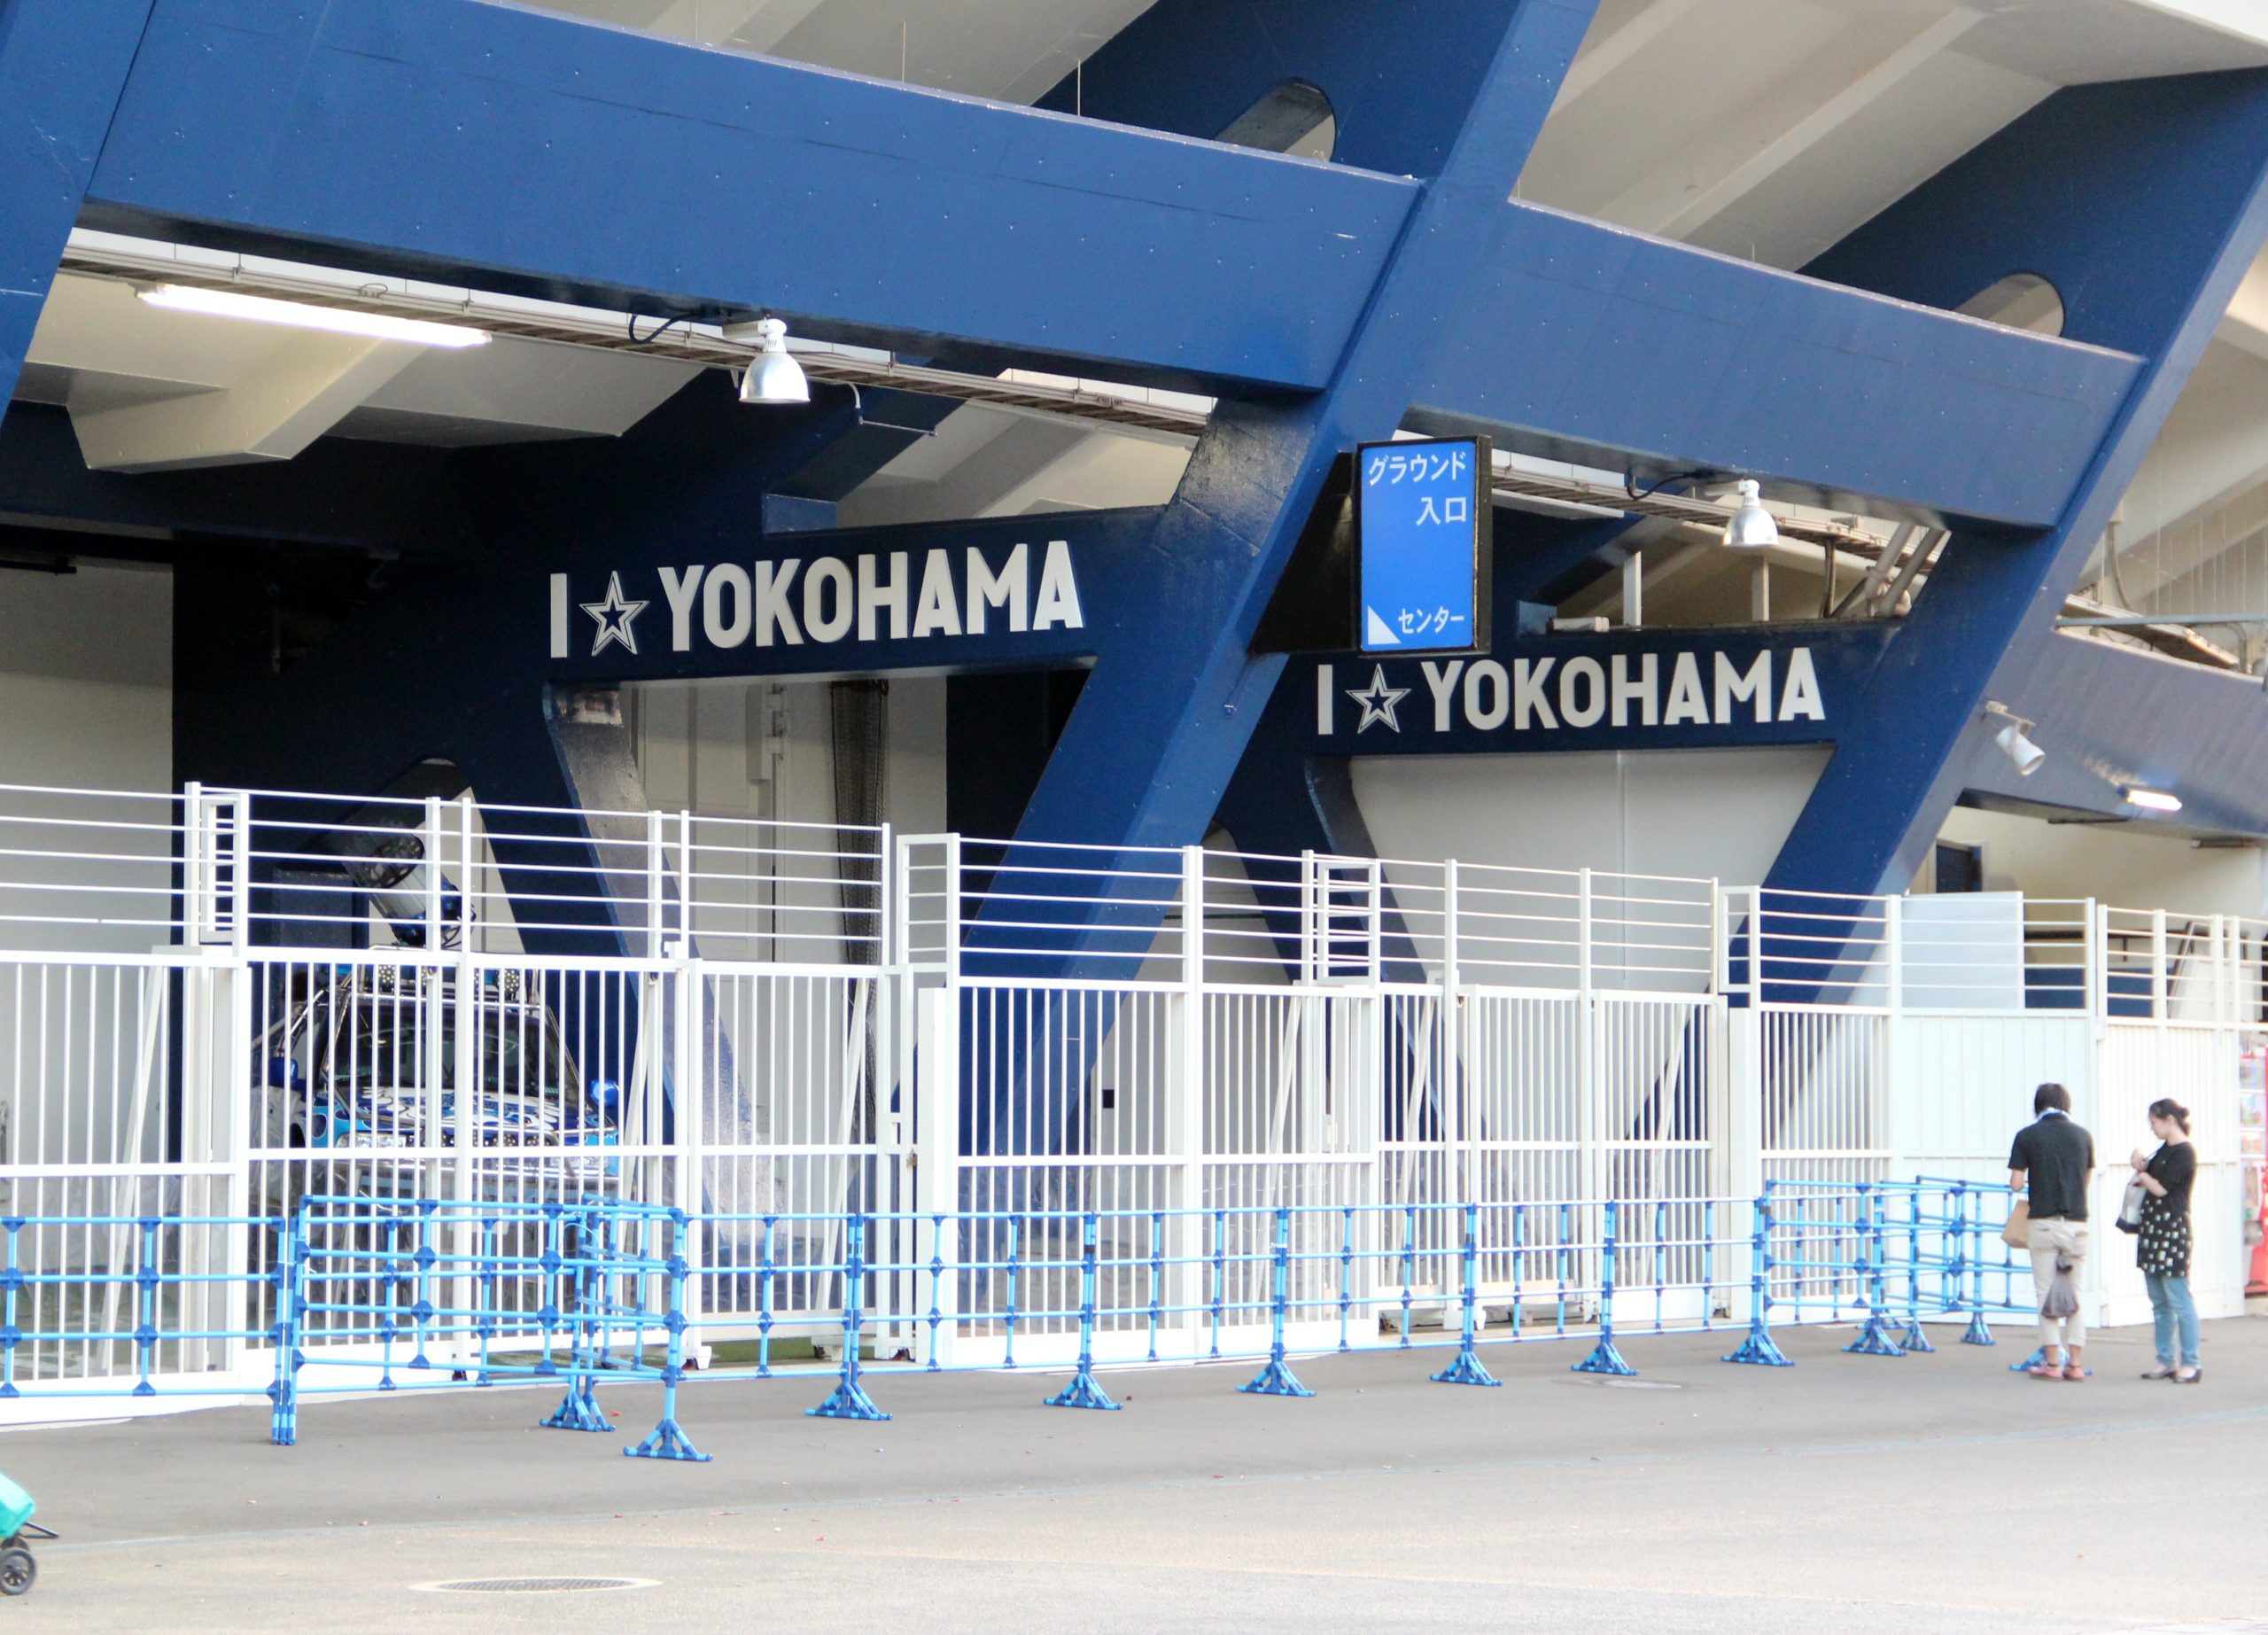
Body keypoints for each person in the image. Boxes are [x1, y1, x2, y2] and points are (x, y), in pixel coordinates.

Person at [2008, 1082, 2093, 1380]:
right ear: (2066, 1104)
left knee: (2046, 1293)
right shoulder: (2083, 1136)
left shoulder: (2027, 1136)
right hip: (2077, 1222)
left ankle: (2053, 1363)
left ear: (2038, 1105)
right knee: (2075, 1293)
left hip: (2043, 1222)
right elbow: (2085, 1179)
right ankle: (2076, 1365)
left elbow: (2017, 1183)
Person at [2130, 1098, 2201, 1383]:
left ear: (2169, 1119)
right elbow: (2151, 1173)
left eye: (2154, 1122)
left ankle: (2191, 1361)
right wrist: (2139, 1159)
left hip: (2171, 1232)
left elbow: (2160, 1188)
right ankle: (2165, 1359)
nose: (2152, 1128)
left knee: (2179, 1299)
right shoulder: (2165, 1151)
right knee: (2159, 1301)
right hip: (2154, 1232)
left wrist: (2143, 1176)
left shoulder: (2184, 1152)